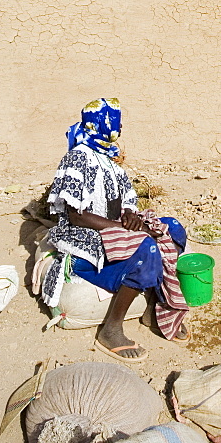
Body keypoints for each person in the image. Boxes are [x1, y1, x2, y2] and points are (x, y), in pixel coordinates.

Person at [42, 98, 189, 361]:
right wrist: (123, 227)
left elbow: (126, 199)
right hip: (83, 234)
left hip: (111, 226)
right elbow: (77, 216)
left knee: (173, 229)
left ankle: (153, 307)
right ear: (102, 124)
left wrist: (131, 216)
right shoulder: (77, 158)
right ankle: (111, 329)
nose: (118, 127)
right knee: (147, 248)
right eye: (115, 121)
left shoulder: (108, 159)